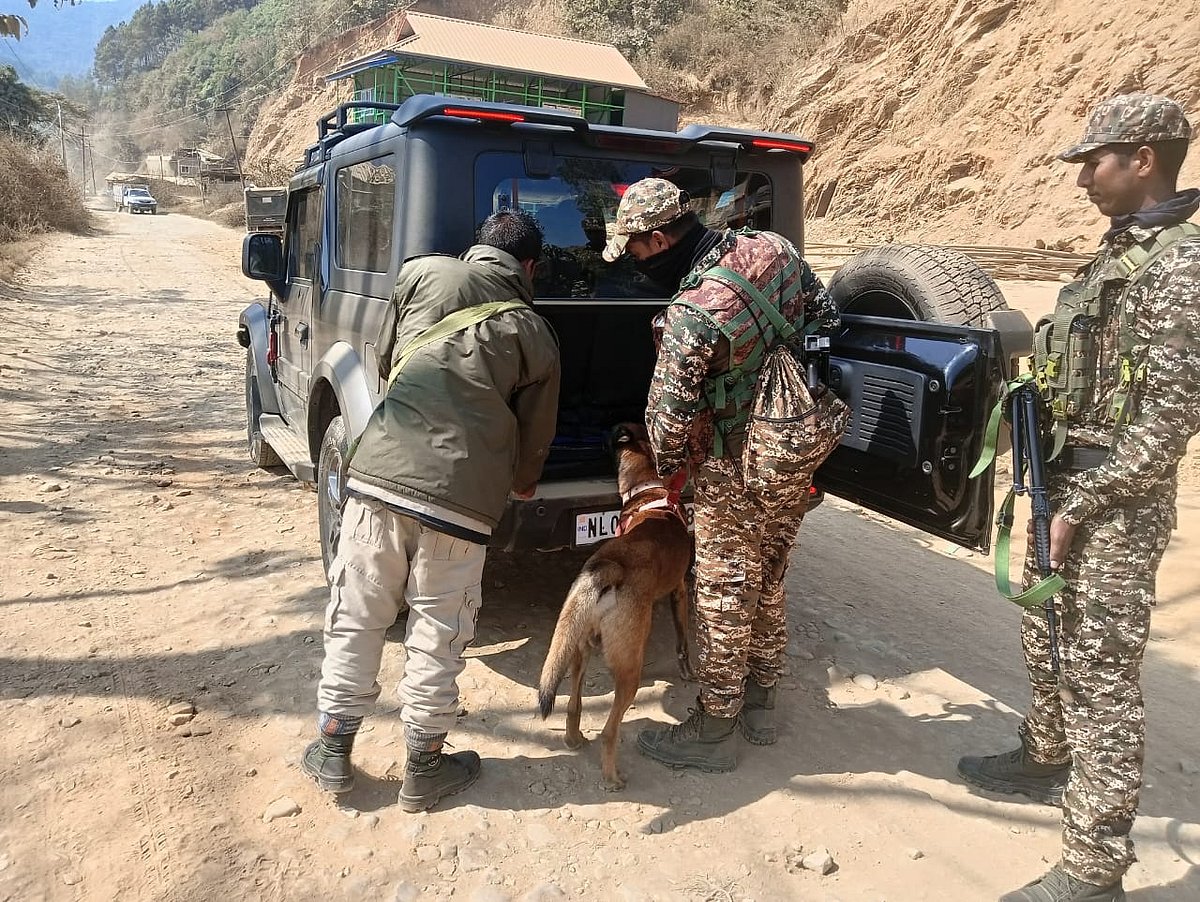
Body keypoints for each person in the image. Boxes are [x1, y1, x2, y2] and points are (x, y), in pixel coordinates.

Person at [957, 94, 1200, 902]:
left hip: (1112, 505)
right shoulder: (1122, 253)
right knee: (1044, 634)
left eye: (1094, 161)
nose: (1082, 177)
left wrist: (1079, 504)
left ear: (1144, 157)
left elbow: (1167, 426)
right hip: (1067, 480)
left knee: (1100, 678)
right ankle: (1044, 755)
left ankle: (1095, 867)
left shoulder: (1179, 264)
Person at [302, 209, 561, 812]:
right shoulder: (536, 333)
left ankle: (334, 750)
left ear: (479, 248)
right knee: (438, 631)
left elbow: (390, 359)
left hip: (380, 474)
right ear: (529, 267)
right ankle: (424, 766)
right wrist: (522, 483)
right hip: (462, 503)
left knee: (359, 613)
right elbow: (536, 429)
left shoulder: (420, 275)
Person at [601, 177, 840, 772]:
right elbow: (827, 316)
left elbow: (665, 425)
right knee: (770, 575)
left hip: (731, 469)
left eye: (632, 250)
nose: (633, 264)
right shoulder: (775, 251)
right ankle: (761, 699)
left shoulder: (692, 313)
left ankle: (715, 726)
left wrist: (673, 470)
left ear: (656, 240)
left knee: (723, 592)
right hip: (792, 450)